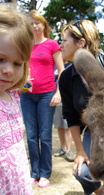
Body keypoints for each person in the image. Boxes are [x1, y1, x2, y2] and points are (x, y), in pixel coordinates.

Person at [59, 20, 104, 195]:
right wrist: (80, 152)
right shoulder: (66, 77)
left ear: (81, 43)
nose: (60, 45)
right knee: (84, 172)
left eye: (64, 40)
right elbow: (70, 116)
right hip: (94, 131)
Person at [20, 10, 64, 188]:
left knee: (45, 136)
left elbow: (62, 71)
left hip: (47, 94)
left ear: (44, 25)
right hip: (26, 95)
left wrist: (58, 93)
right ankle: (34, 173)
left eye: (37, 23)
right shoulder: (23, 46)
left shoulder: (52, 44)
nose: (34, 26)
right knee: (31, 136)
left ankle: (45, 174)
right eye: (31, 23)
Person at [0, 5, 34, 195]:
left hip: (18, 182)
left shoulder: (12, 95)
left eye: (17, 63)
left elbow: (27, 85)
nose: (9, 70)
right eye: (0, 59)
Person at [53, 61, 75, 162]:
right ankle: (63, 147)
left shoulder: (71, 66)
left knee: (67, 126)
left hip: (67, 99)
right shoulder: (53, 66)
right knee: (59, 125)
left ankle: (69, 150)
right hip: (55, 99)